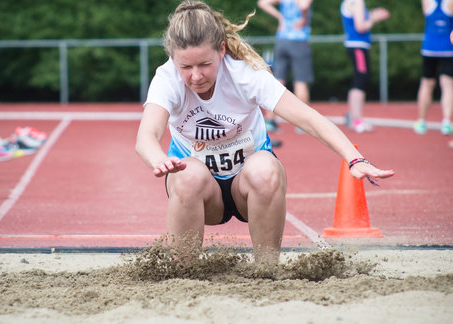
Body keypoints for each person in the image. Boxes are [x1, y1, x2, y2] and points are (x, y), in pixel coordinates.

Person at [135, 0, 394, 265]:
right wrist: (158, 158)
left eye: (204, 64)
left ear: (222, 50)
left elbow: (308, 118)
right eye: (186, 67)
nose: (196, 76)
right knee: (187, 175)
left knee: (265, 170)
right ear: (173, 59)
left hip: (248, 186)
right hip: (201, 192)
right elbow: (146, 136)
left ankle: (267, 270)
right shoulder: (167, 79)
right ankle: (183, 273)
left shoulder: (245, 74)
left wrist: (354, 158)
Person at [257, 0, 314, 137]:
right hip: (299, 40)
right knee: (300, 81)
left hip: (282, 40)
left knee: (278, 80)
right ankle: (302, 123)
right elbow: (304, 6)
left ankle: (270, 121)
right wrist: (304, 16)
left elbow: (262, 3)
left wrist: (280, 17)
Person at [340, 0, 390, 133]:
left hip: (355, 46)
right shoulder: (358, 2)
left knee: (358, 81)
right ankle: (356, 120)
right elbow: (360, 26)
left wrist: (372, 14)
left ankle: (353, 118)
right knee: (360, 81)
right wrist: (374, 18)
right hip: (358, 46)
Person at [413, 0, 453, 136]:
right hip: (447, 49)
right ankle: (446, 122)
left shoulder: (428, 2)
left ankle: (421, 121)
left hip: (430, 48)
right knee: (447, 84)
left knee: (427, 83)